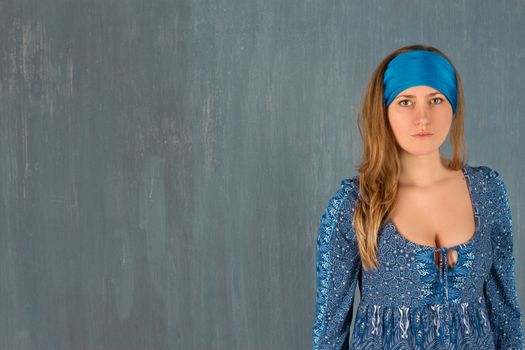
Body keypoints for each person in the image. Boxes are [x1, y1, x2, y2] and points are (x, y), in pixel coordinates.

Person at [311, 45, 525, 349]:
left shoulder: (487, 191)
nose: (422, 118)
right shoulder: (355, 203)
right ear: (384, 111)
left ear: (453, 105)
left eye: (435, 100)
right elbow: (329, 330)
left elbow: (506, 314)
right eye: (405, 101)